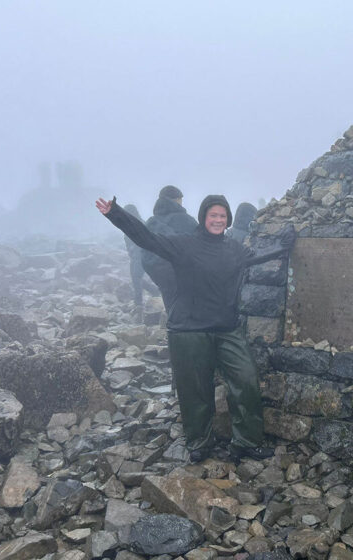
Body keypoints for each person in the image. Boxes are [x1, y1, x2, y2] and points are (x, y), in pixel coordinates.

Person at [96, 193, 296, 463]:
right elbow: (147, 238)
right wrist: (115, 214)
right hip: (188, 329)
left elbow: (259, 256)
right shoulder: (184, 245)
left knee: (246, 380)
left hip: (226, 328)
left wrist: (284, 245)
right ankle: (200, 442)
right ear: (203, 218)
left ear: (228, 221)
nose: (217, 220)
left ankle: (247, 441)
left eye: (222, 216)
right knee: (195, 391)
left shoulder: (234, 248)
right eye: (213, 215)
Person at [141, 186, 198, 313]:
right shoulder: (185, 220)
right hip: (182, 273)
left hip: (158, 272)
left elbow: (143, 247)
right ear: (175, 200)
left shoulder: (152, 222)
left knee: (170, 302)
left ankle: (173, 327)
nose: (182, 203)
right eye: (180, 199)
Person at [122, 204, 159, 322]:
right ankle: (154, 291)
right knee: (136, 277)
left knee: (136, 277)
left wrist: (136, 254)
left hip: (140, 254)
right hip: (137, 255)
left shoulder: (137, 223)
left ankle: (138, 304)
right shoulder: (130, 223)